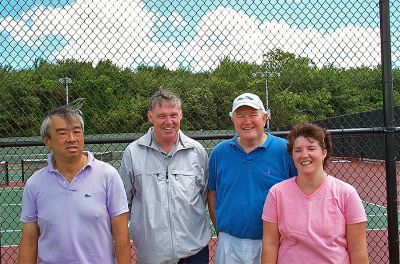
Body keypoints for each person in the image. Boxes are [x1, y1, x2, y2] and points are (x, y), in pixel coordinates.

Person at [18, 102, 132, 264]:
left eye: (77, 131)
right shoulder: (34, 184)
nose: (72, 139)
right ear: (47, 141)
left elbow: (121, 236)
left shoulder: (108, 176)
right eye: (62, 133)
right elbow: (29, 241)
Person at [120, 89, 211, 264]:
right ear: (150, 117)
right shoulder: (133, 153)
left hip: (194, 252)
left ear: (181, 116)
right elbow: (125, 203)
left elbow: (204, 196)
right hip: (152, 254)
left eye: (173, 115)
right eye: (161, 116)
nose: (168, 121)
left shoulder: (197, 151)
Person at [207, 92, 297, 264]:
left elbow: (299, 191)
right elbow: (213, 193)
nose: (247, 121)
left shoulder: (284, 150)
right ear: (232, 119)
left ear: (265, 117)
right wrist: (220, 230)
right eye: (240, 116)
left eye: (253, 115)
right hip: (229, 244)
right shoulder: (219, 153)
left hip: (273, 242)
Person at [261, 122, 369, 263]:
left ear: (324, 153)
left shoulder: (346, 193)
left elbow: (358, 250)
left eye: (311, 148)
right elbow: (270, 244)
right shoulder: (277, 193)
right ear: (292, 155)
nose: (304, 155)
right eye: (298, 150)